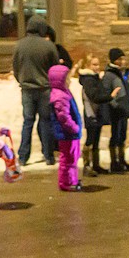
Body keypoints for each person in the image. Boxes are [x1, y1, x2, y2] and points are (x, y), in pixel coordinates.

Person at [11, 16, 59, 165]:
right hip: (45, 89)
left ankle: (23, 156)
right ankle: (48, 155)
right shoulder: (49, 46)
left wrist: (23, 81)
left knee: (28, 122)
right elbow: (55, 68)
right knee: (45, 122)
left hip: (27, 89)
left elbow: (15, 67)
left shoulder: (19, 45)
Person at [77, 55, 120, 176]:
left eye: (98, 64)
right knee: (90, 140)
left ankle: (96, 164)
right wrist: (110, 96)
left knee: (96, 140)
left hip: (98, 113)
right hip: (91, 113)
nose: (97, 67)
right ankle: (87, 166)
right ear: (87, 66)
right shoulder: (88, 79)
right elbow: (94, 96)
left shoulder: (95, 78)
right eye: (94, 65)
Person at [47, 62, 83, 191]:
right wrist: (74, 127)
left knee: (73, 158)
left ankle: (71, 179)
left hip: (71, 133)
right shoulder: (59, 97)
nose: (69, 81)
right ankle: (66, 182)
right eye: (67, 78)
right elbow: (63, 116)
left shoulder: (63, 92)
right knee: (67, 159)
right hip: (67, 133)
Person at [102, 48, 129, 172]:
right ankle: (114, 162)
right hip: (116, 110)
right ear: (114, 60)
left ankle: (122, 160)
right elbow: (107, 93)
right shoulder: (110, 75)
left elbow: (127, 91)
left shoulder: (123, 73)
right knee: (115, 135)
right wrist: (115, 105)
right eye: (119, 59)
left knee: (122, 135)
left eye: (123, 58)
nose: (122, 61)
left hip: (124, 108)